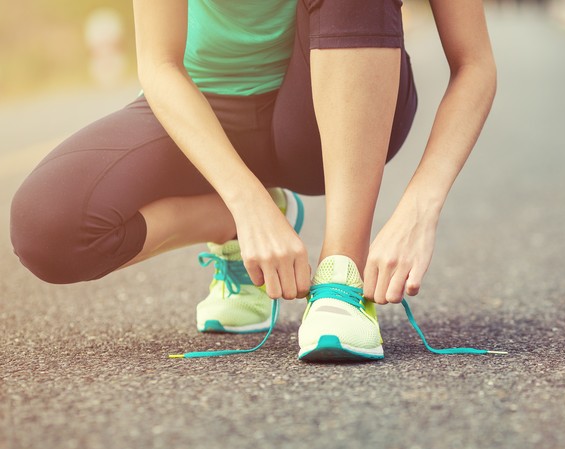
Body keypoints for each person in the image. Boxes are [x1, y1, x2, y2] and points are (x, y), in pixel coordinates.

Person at [10, 0, 497, 362]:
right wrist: (245, 206)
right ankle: (241, 227)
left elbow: (474, 63)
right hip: (207, 112)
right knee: (47, 228)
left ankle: (340, 276)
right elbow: (159, 64)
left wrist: (418, 210)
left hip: (324, 114)